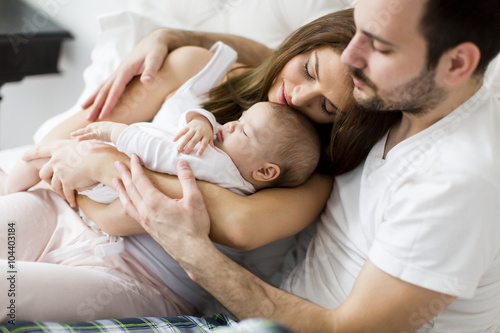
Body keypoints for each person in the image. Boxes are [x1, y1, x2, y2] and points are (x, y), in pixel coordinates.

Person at [22, 0, 499, 332]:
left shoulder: (451, 179)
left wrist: (110, 166)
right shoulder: (386, 93)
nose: (354, 57)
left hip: (202, 300)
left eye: (379, 46)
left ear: (457, 64)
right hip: (84, 224)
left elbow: (344, 328)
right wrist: (177, 36)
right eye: (359, 28)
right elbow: (290, 62)